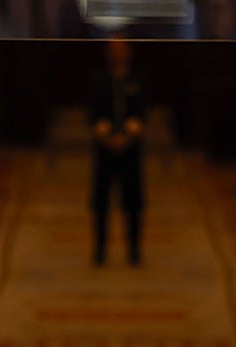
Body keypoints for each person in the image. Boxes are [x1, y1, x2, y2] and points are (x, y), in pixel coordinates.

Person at [90, 40, 146, 266]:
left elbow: (143, 111)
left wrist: (130, 134)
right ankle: (100, 251)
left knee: (133, 201)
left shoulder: (138, 79)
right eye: (114, 49)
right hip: (104, 147)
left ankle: (134, 251)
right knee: (101, 201)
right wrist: (104, 134)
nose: (118, 53)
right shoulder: (99, 79)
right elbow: (92, 112)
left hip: (131, 148)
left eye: (121, 49)